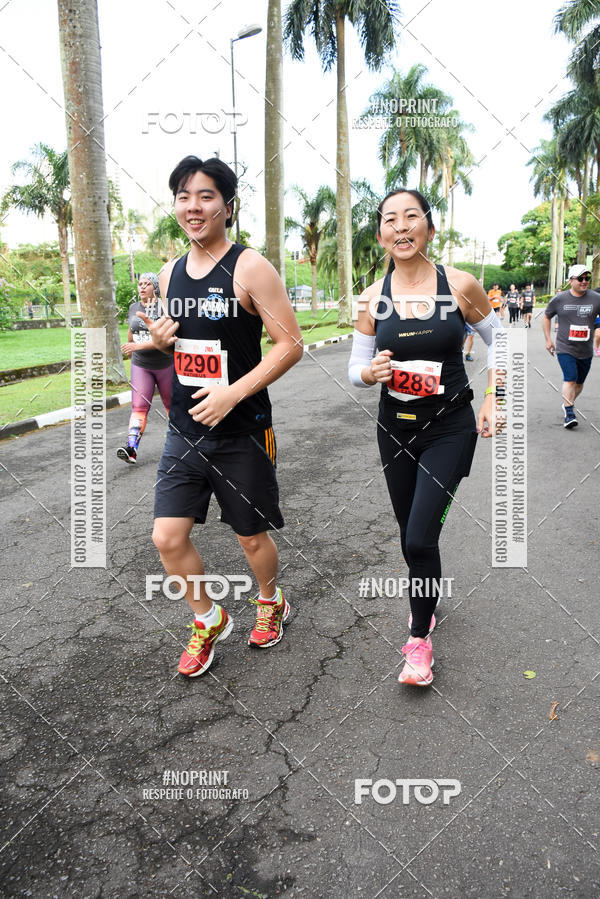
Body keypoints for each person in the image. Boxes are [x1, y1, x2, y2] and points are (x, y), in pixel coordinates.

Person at [138, 155, 303, 677]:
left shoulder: (249, 267)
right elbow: (173, 351)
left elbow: (290, 343)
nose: (194, 206)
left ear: (227, 207)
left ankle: (270, 601)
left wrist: (234, 393)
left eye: (206, 196)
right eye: (184, 196)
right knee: (167, 536)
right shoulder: (168, 272)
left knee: (250, 537)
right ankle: (207, 619)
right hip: (185, 430)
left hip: (242, 430)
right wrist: (159, 344)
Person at [348, 188, 504, 688]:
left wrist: (493, 396)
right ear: (381, 236)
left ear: (429, 229)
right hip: (394, 428)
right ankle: (427, 599)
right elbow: (356, 365)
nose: (401, 227)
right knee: (409, 534)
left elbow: (502, 340)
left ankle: (418, 638)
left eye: (411, 217)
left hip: (450, 426)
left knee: (420, 535)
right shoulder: (373, 297)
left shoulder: (459, 285)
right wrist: (369, 374)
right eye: (389, 220)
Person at [117, 274, 174, 464]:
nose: (142, 287)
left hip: (165, 363)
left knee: (171, 406)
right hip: (141, 365)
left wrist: (137, 347)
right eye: (140, 284)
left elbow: (165, 339)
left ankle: (181, 444)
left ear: (155, 288)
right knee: (139, 407)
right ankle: (131, 448)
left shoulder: (164, 308)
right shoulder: (134, 307)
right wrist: (130, 347)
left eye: (147, 284)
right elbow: (131, 332)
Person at [543, 264, 600, 428]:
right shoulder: (560, 299)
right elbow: (546, 317)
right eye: (580, 278)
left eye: (586, 278)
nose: (584, 281)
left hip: (586, 350)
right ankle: (569, 413)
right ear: (571, 280)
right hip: (565, 347)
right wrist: (548, 339)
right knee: (570, 379)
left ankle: (568, 402)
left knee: (579, 384)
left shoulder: (596, 298)